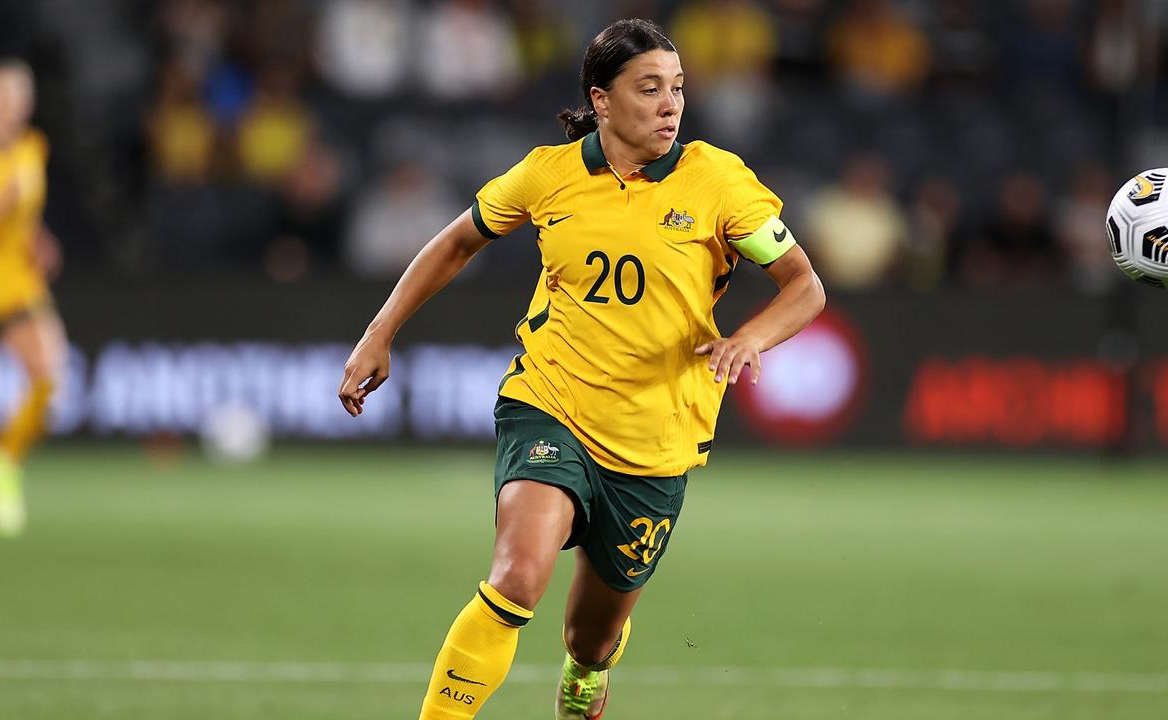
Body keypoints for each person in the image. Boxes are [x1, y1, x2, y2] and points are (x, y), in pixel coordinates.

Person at [338, 19, 825, 720]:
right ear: (600, 99)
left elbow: (804, 285)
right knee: (517, 577)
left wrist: (749, 338)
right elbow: (456, 241)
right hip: (551, 404)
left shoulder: (716, 181)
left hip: (655, 440)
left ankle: (584, 676)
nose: (670, 105)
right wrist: (378, 333)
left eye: (678, 89)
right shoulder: (550, 173)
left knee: (590, 638)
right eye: (649, 88)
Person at [0, 59, 67, 538]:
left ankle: (2, 461)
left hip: (14, 286)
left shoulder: (33, 148)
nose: (11, 110)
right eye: (2, 99)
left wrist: (39, 238)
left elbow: (26, 216)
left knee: (48, 380)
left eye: (19, 101)